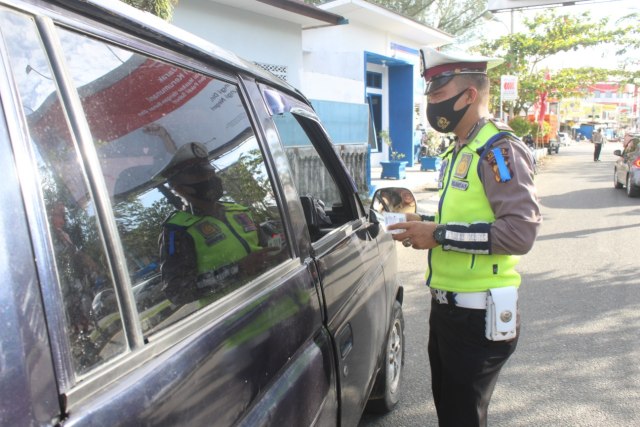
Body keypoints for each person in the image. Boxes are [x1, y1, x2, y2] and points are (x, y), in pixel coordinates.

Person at [388, 47, 542, 427]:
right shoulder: (459, 150)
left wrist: (438, 234)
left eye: (439, 95)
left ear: (469, 96)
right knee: (453, 413)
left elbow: (519, 232)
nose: (431, 104)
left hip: (478, 313)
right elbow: (465, 218)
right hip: (449, 310)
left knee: (462, 417)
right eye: (429, 96)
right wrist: (422, 225)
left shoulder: (498, 150)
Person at [156, 142, 281, 305]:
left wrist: (281, 255)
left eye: (211, 171)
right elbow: (177, 291)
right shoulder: (178, 230)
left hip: (284, 304)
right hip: (243, 324)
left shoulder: (239, 211)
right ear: (181, 189)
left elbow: (265, 251)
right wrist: (238, 270)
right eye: (201, 174)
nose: (212, 178)